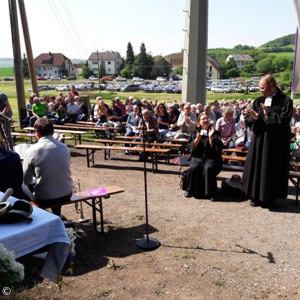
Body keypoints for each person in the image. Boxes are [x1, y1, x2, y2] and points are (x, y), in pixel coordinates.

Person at [241, 74, 293, 208]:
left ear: (271, 86)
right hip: (259, 140)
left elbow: (283, 120)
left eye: (262, 87)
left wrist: (267, 115)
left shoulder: (285, 101)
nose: (260, 90)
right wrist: (255, 117)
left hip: (275, 142)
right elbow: (250, 120)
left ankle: (268, 197)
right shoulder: (259, 100)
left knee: (270, 168)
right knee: (257, 166)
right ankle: (254, 195)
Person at [23, 118, 73, 216]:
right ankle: (56, 213)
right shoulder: (64, 147)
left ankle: (40, 219)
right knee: (55, 180)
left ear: (36, 131)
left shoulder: (31, 151)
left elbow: (26, 180)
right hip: (66, 193)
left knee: (24, 189)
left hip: (44, 198)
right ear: (52, 131)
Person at [181, 114, 223, 200]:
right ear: (199, 122)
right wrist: (198, 138)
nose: (205, 120)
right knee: (194, 167)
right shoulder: (194, 132)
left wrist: (211, 137)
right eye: (203, 119)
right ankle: (189, 190)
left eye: (206, 119)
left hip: (211, 157)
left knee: (208, 168)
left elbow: (217, 149)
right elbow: (190, 148)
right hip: (197, 157)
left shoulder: (215, 133)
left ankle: (211, 193)